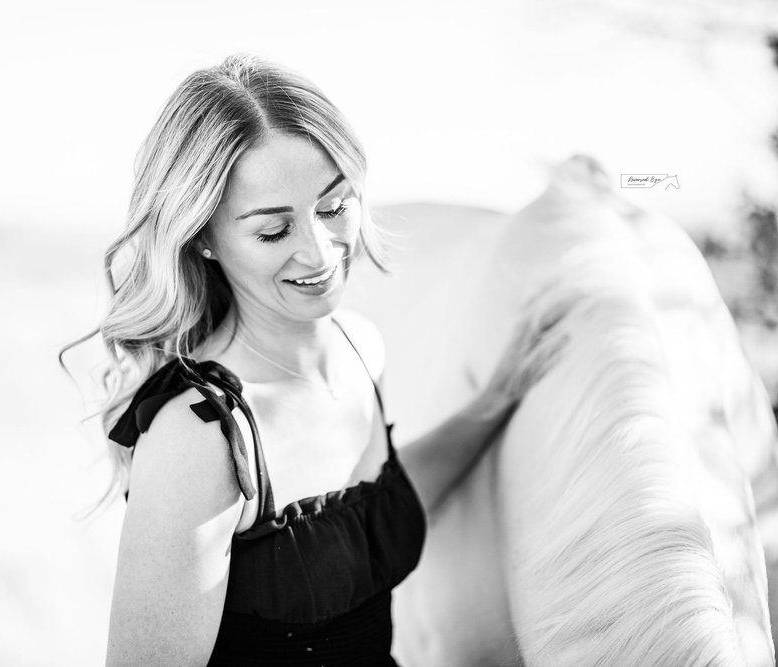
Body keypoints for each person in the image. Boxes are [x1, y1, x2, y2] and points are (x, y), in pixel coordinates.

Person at [64, 53, 565, 667]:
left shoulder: (360, 347)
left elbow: (362, 514)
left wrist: (497, 401)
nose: (321, 251)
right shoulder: (203, 434)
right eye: (274, 231)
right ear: (202, 239)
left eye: (333, 207)